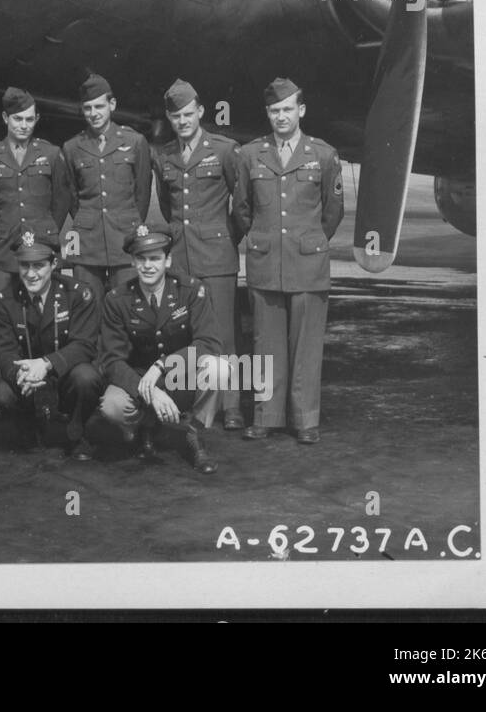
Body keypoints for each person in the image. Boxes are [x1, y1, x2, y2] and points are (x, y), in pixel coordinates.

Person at [232, 78, 344, 444]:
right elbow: (242, 210)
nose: (281, 116)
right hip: (266, 262)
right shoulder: (250, 155)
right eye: (275, 111)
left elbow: (333, 211)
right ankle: (266, 416)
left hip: (307, 263)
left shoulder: (323, 155)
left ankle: (305, 420)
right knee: (266, 344)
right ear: (268, 114)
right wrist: (264, 239)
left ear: (301, 110)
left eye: (288, 109)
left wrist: (308, 241)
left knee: (306, 346)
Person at [152, 78, 246, 430]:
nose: (183, 121)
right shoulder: (165, 156)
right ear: (170, 118)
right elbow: (167, 204)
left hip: (217, 257)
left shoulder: (224, 150)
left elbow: (242, 204)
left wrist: (225, 237)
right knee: (188, 335)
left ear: (201, 112)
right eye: (176, 117)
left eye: (188, 114)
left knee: (224, 334)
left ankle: (232, 406)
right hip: (181, 258)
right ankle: (192, 399)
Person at [98, 223, 227, 474]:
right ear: (133, 262)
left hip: (179, 376)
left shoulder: (190, 290)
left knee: (219, 368)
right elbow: (111, 360)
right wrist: (149, 393)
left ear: (167, 261)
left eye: (155, 259)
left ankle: (195, 434)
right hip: (139, 380)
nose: (148, 266)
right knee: (112, 406)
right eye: (141, 259)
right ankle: (144, 426)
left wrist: (162, 365)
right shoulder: (117, 299)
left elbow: (209, 343)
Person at [0, 86, 70, 392]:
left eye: (29, 119)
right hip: (5, 250)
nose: (23, 125)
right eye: (17, 119)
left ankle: (47, 383)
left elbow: (62, 199)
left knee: (45, 317)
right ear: (5, 118)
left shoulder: (52, 154)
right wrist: (1, 233)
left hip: (41, 248)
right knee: (1, 321)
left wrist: (45, 233)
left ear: (37, 119)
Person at [0, 225, 104, 460]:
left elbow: (84, 344)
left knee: (87, 378)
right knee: (3, 393)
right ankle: (29, 423)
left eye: (38, 265)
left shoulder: (78, 294)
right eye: (25, 265)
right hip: (28, 375)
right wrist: (18, 374)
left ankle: (76, 433)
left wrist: (47, 364)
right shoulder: (5, 299)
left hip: (63, 374)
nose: (31, 274)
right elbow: (4, 348)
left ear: (53, 264)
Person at [60, 73, 152, 301]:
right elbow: (71, 196)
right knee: (87, 310)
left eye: (99, 106)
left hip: (124, 240)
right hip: (87, 244)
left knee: (128, 309)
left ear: (112, 105)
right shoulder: (72, 147)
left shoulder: (134, 142)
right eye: (88, 108)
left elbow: (142, 192)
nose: (94, 114)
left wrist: (128, 223)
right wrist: (87, 221)